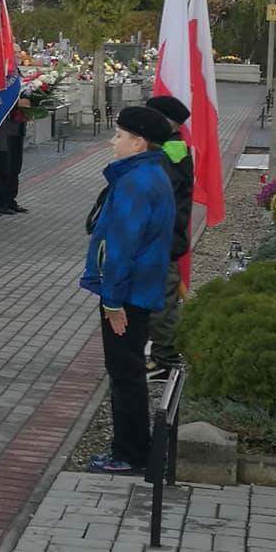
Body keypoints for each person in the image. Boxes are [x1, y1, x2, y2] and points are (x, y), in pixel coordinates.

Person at [80, 106, 177, 475]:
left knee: (125, 372)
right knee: (127, 369)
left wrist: (113, 301)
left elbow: (121, 248)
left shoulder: (137, 182)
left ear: (139, 143)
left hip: (129, 295)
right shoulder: (147, 173)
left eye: (119, 136)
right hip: (137, 290)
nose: (112, 141)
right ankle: (133, 447)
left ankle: (131, 453)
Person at [143, 93, 196, 380]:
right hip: (163, 240)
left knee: (161, 302)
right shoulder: (169, 150)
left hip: (162, 242)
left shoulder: (170, 155)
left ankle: (165, 359)